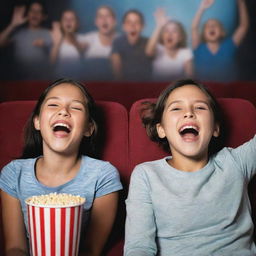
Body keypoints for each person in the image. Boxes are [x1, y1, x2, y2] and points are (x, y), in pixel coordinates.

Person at [124, 79, 256, 255]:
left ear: (215, 128)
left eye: (200, 107)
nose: (189, 113)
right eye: (177, 108)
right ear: (161, 129)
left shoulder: (236, 162)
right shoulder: (146, 175)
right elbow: (139, 247)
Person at [0, 78, 123, 256]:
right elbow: (15, 248)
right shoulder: (13, 173)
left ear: (88, 128)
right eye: (53, 105)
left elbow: (91, 250)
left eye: (76, 107)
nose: (63, 111)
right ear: (37, 122)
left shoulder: (103, 175)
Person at [192, 0, 249, 82]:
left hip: (227, 91)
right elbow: (194, 28)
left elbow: (243, 26)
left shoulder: (229, 45)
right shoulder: (198, 47)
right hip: (204, 91)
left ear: (222, 32)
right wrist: (202, 9)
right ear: (203, 34)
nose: (211, 27)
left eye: (215, 25)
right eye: (208, 26)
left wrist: (241, 3)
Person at [0, 1, 52, 79]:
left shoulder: (50, 34)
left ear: (43, 16)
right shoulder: (18, 33)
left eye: (39, 11)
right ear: (27, 14)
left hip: (41, 80)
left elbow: (55, 61)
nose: (35, 14)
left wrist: (46, 45)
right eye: (32, 10)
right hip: (19, 80)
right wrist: (12, 24)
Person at [146, 8, 193, 81]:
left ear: (180, 37)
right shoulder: (158, 49)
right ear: (162, 36)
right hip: (156, 88)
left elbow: (190, 77)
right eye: (166, 31)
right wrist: (159, 26)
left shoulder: (185, 52)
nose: (169, 34)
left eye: (174, 31)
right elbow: (149, 52)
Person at [111, 9, 152, 81]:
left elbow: (151, 52)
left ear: (143, 26)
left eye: (137, 22)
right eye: (129, 22)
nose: (133, 26)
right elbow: (117, 71)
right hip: (124, 85)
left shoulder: (148, 43)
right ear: (123, 26)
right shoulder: (117, 42)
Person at [79, 6, 117, 81]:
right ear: (96, 22)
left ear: (114, 21)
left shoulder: (122, 40)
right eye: (100, 16)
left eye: (108, 16)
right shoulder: (87, 40)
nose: (104, 19)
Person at [50, 10, 86, 79]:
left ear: (77, 23)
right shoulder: (55, 39)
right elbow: (51, 64)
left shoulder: (83, 39)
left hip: (78, 81)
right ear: (61, 23)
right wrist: (57, 44)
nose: (68, 21)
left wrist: (74, 40)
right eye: (65, 19)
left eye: (72, 19)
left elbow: (86, 62)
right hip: (60, 81)